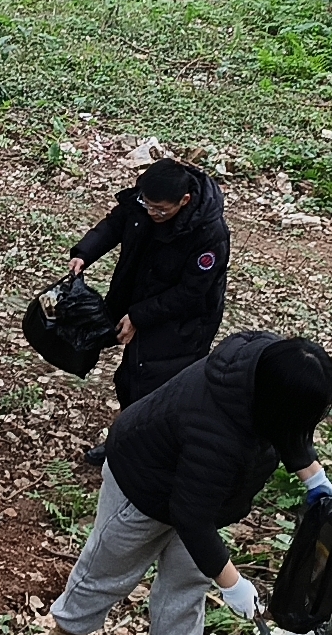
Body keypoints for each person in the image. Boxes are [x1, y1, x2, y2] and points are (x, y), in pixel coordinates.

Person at [30, 331, 332, 635]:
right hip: (143, 484)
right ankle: (69, 632)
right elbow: (190, 518)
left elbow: (287, 425)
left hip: (209, 495)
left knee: (189, 577)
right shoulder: (214, 427)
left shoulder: (268, 369)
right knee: (112, 562)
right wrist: (234, 585)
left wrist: (314, 477)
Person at [69, 157, 232, 461]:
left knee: (158, 385)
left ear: (184, 201)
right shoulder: (144, 203)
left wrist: (140, 317)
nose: (153, 213)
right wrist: (84, 252)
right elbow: (116, 223)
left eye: (161, 210)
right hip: (141, 296)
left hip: (182, 322)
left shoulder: (209, 233)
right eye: (148, 205)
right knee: (131, 377)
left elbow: (192, 292)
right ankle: (125, 441)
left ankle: (146, 452)